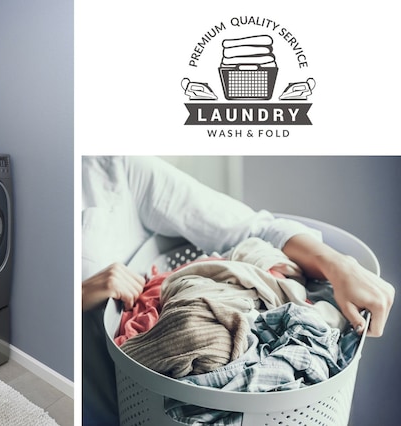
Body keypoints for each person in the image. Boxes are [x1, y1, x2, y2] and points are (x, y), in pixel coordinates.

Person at [81, 156, 395, 426]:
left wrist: (339, 265)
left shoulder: (114, 165)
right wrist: (78, 296)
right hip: (105, 403)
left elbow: (253, 229)